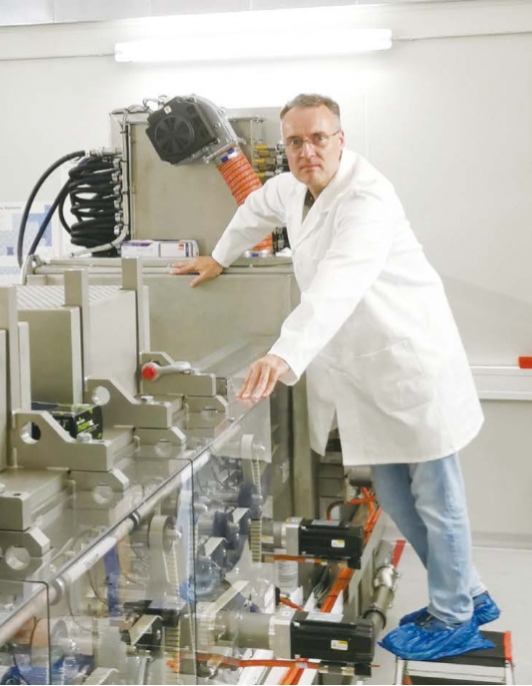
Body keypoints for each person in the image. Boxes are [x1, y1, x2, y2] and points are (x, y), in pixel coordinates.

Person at [171, 93, 499, 661]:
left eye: (319, 138)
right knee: (396, 494)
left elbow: (338, 284)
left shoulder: (367, 198)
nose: (307, 151)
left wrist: (283, 354)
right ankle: (467, 591)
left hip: (414, 365)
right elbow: (254, 208)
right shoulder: (292, 189)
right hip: (373, 374)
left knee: (438, 498)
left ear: (340, 140)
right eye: (295, 141)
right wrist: (220, 257)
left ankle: (454, 616)